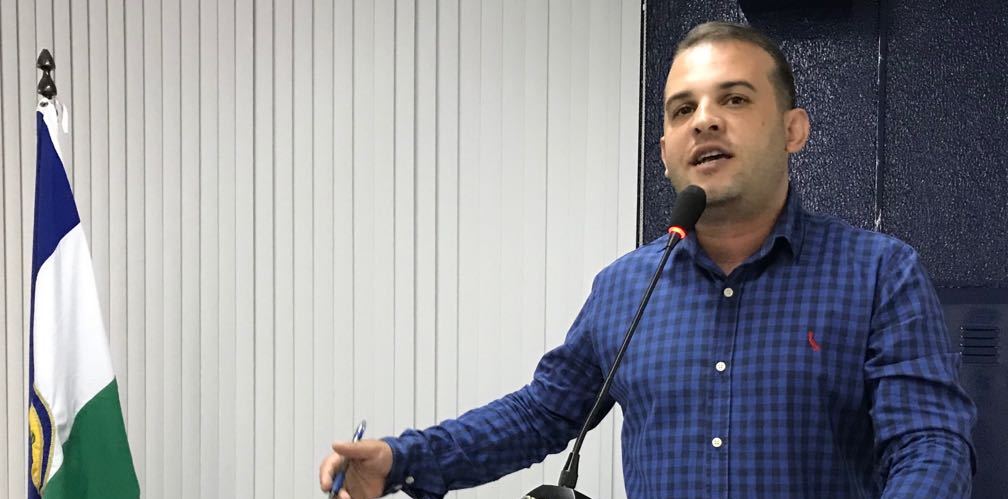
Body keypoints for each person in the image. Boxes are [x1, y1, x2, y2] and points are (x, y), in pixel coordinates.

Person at [319, 21, 976, 498]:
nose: (705, 120)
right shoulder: (626, 287)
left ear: (793, 129)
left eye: (735, 99)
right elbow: (541, 413)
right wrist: (404, 458)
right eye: (683, 109)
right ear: (665, 152)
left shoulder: (879, 274)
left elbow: (929, 443)